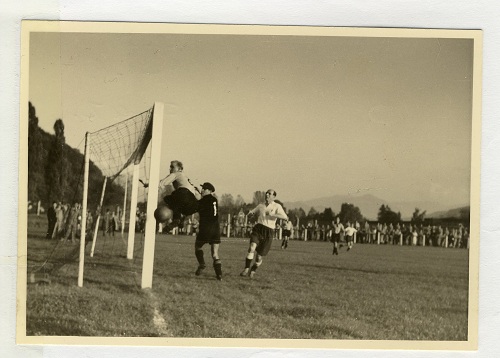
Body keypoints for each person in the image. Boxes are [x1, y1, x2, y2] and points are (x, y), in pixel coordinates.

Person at [240, 189, 288, 279]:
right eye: (267, 193)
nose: (267, 195)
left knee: (259, 257)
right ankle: (246, 268)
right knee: (252, 247)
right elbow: (252, 212)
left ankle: (253, 269)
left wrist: (273, 214)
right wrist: (250, 214)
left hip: (269, 231)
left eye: (269, 194)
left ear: (274, 196)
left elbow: (285, 217)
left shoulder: (277, 206)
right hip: (258, 228)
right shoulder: (260, 205)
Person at [147, 160, 201, 233]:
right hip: (193, 203)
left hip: (184, 194)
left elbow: (162, 183)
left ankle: (161, 223)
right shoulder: (185, 177)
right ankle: (180, 219)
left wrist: (149, 184)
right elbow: (197, 193)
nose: (170, 169)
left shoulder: (176, 174)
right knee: (178, 205)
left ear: (179, 168)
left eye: (172, 167)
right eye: (170, 167)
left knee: (168, 199)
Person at [194, 182, 222, 280]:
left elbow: (196, 207)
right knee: (215, 253)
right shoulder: (214, 199)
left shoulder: (203, 200)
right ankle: (219, 275)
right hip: (215, 228)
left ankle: (202, 264)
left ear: (209, 191)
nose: (202, 190)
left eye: (204, 189)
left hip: (206, 227)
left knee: (197, 246)